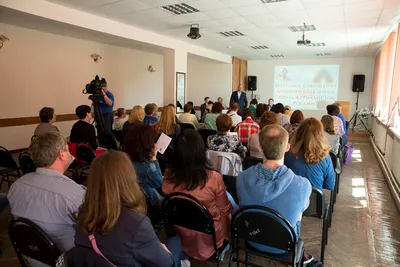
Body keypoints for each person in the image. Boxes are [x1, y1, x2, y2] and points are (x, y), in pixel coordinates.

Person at [74, 150, 184, 267]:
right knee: (176, 242)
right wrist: (165, 251)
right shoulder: (137, 224)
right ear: (129, 180)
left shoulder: (83, 214)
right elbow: (166, 264)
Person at [236, 125, 313, 263]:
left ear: (260, 147)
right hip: (284, 245)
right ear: (287, 148)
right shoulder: (302, 185)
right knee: (298, 213)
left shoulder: (241, 177)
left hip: (252, 238)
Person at [8, 132, 85, 267]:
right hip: (67, 261)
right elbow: (94, 230)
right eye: (67, 149)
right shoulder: (75, 194)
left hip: (32, 257)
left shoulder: (16, 186)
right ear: (62, 154)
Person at [162, 130, 232, 261]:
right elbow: (224, 210)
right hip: (210, 237)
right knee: (228, 211)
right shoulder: (213, 178)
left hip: (181, 231)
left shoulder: (168, 174)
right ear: (201, 151)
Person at [285, 118, 335, 190]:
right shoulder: (325, 157)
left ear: (298, 133)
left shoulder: (288, 153)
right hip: (314, 200)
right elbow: (330, 185)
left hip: (291, 199)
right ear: (320, 135)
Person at [154, 105, 181, 170]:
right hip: (172, 158)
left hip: (158, 156)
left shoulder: (155, 126)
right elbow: (178, 143)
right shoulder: (176, 127)